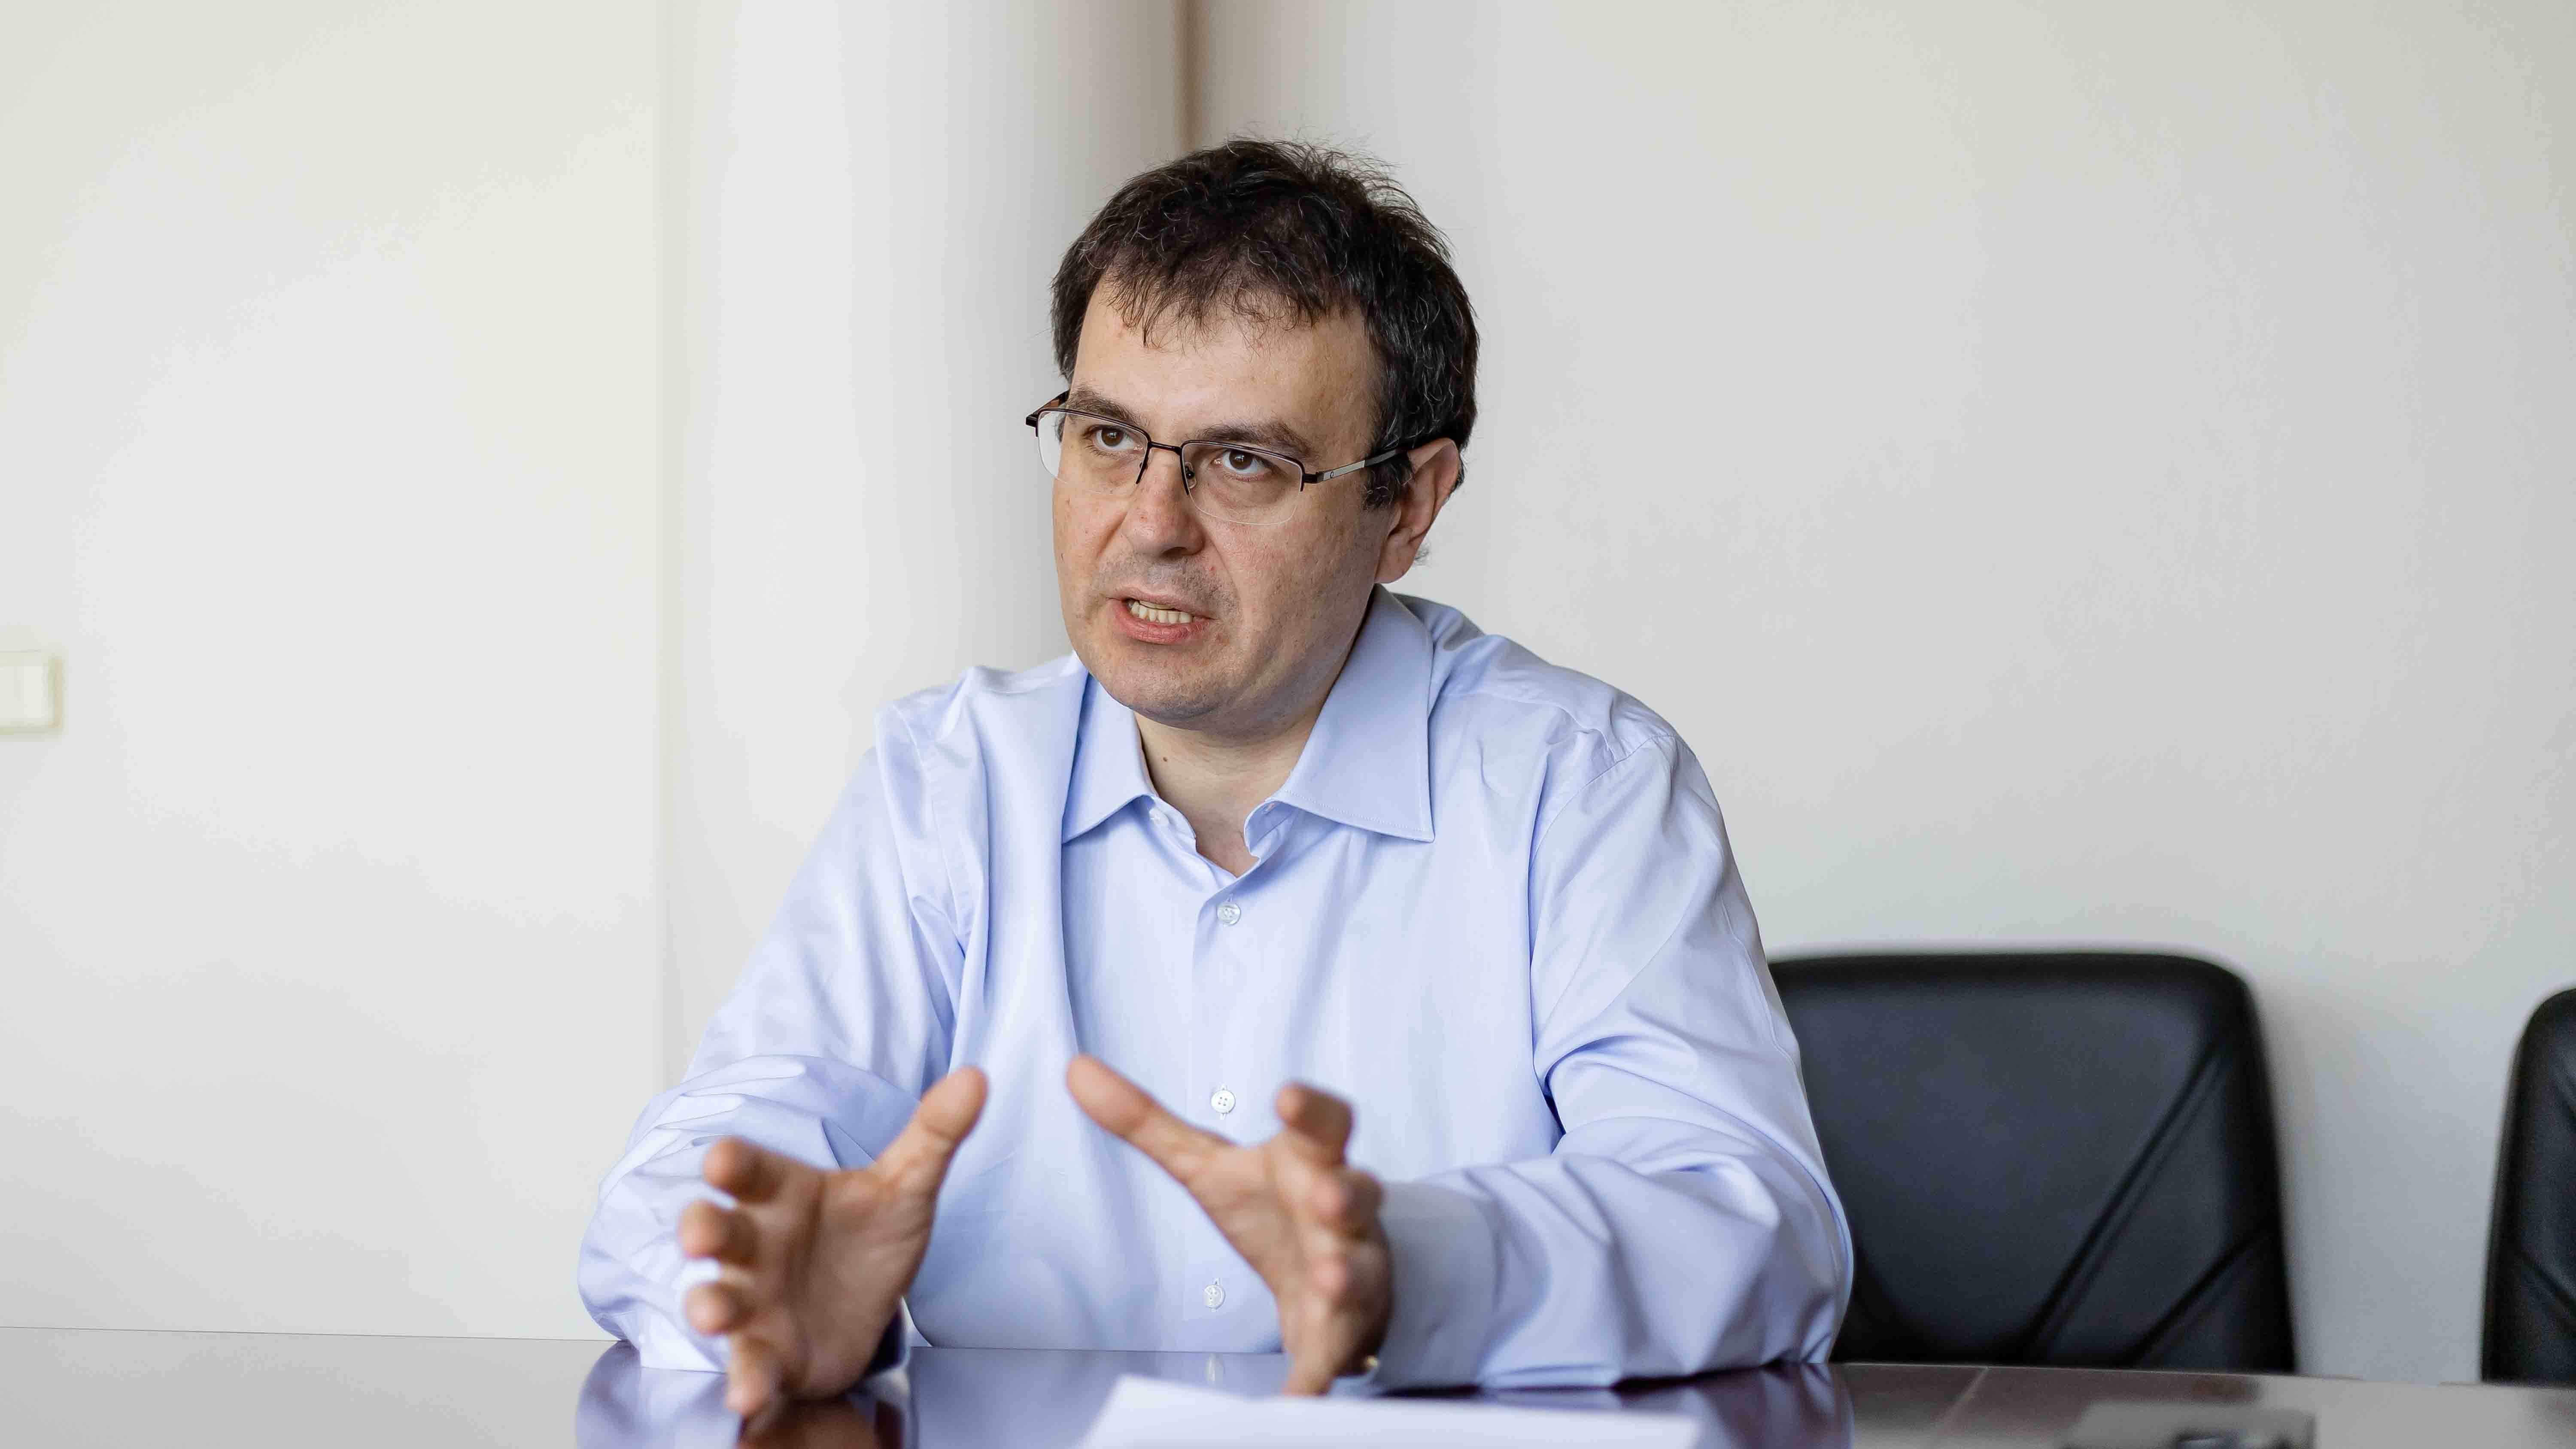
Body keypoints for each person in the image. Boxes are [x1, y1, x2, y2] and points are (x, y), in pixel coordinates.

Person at [578, 139, 1850, 1419]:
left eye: (1244, 461)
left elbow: (1748, 1220)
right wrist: (744, 1287)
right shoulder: (952, 783)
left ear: (1408, 505)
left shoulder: (1580, 785)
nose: (1150, 524)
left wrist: (1411, 1266)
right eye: (1107, 437)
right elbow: (701, 1167)